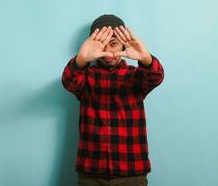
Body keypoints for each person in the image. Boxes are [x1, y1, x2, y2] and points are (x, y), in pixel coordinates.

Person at [62, 14, 165, 186]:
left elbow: (156, 76)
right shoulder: (85, 77)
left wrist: (146, 59)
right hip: (91, 174)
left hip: (132, 173)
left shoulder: (136, 76)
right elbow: (68, 81)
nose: (108, 51)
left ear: (123, 43)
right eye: (102, 44)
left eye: (114, 43)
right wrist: (81, 59)